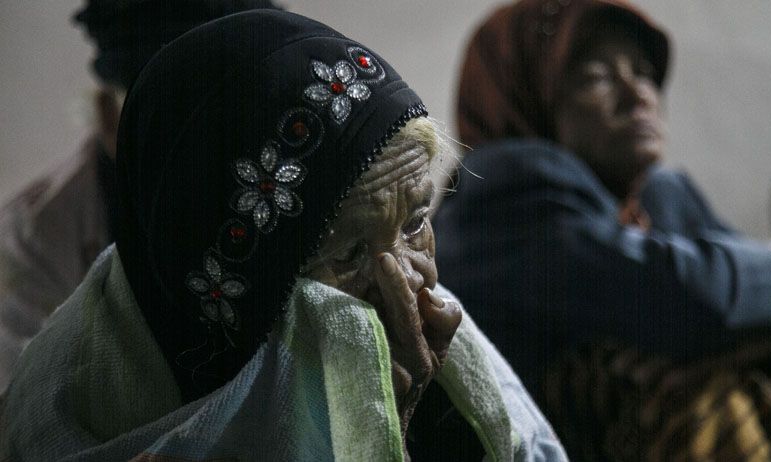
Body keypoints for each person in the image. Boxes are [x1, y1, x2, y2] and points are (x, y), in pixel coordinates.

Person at [0, 10, 568, 461]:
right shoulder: (69, 411)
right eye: (346, 251)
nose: (414, 278)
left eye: (417, 221)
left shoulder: (449, 365)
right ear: (235, 297)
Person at [434, 0, 771, 459]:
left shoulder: (662, 197)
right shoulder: (506, 188)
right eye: (597, 76)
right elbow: (690, 301)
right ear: (527, 90)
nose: (639, 93)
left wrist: (757, 340)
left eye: (643, 71)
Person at [0, 0, 283, 393]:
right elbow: (31, 415)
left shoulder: (288, 182)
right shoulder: (35, 238)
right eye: (170, 112)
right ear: (109, 117)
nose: (202, 140)